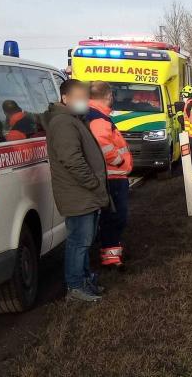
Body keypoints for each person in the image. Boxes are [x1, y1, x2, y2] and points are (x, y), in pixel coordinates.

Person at [42, 79, 109, 302]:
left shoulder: (72, 119)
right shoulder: (63, 122)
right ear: (65, 98)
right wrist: (93, 183)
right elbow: (72, 159)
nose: (84, 103)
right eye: (79, 98)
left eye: (85, 98)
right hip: (78, 193)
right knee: (79, 242)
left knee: (85, 240)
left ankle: (83, 280)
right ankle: (75, 286)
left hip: (83, 193)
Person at [86, 81, 133, 269]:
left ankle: (110, 254)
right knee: (115, 218)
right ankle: (111, 258)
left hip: (110, 176)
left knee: (110, 218)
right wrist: (119, 161)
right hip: (112, 177)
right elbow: (103, 145)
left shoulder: (95, 115)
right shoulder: (98, 119)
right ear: (108, 96)